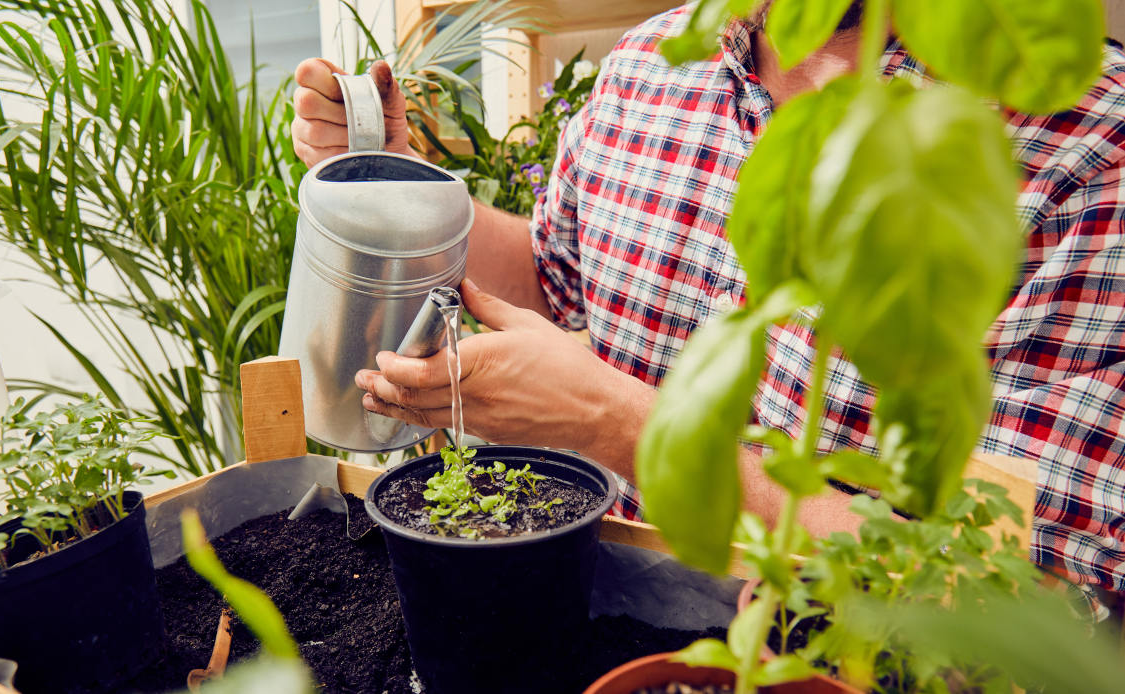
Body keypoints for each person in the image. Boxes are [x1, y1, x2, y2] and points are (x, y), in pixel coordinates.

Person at [291, 3, 1125, 599]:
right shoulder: (653, 63)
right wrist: (408, 187)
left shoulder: (1089, 147)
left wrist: (610, 422)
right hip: (603, 605)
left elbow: (1024, 596)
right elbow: (553, 272)